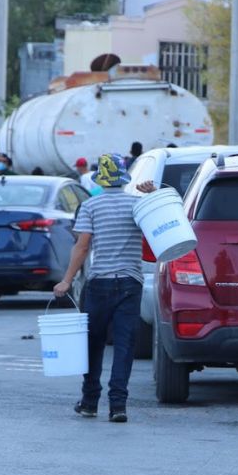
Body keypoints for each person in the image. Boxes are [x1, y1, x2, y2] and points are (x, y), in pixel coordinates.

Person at [53, 153, 154, 423]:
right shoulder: (138, 205)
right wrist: (154, 195)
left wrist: (66, 280)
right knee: (124, 345)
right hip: (131, 283)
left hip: (99, 284)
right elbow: (162, 226)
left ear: (99, 178)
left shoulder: (91, 206)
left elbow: (83, 246)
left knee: (93, 343)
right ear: (123, 178)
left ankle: (89, 402)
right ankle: (118, 406)